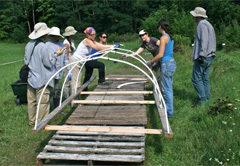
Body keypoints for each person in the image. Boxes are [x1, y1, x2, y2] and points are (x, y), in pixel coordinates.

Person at [24, 22, 64, 127]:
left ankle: (32, 121)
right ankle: (41, 123)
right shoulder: (43, 47)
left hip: (31, 77)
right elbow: (48, 63)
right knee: (43, 102)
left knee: (31, 102)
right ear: (45, 34)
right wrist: (56, 55)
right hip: (43, 78)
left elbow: (26, 60)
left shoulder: (29, 45)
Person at [70, 27, 114, 97]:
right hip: (76, 61)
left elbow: (100, 45)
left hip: (81, 62)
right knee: (76, 82)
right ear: (87, 35)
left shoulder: (92, 41)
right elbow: (97, 48)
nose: (94, 36)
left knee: (79, 81)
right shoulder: (87, 41)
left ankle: (78, 97)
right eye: (92, 35)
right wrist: (110, 48)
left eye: (95, 34)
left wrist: (113, 46)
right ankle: (74, 101)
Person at [146, 19, 176, 117]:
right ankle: (169, 110)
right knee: (169, 88)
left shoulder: (163, 38)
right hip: (171, 63)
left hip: (166, 64)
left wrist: (151, 62)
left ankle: (168, 113)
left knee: (166, 89)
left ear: (160, 27)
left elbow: (160, 54)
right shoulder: (170, 37)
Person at [190, 7, 216, 105]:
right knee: (205, 78)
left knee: (196, 78)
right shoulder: (209, 24)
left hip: (204, 56)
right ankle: (207, 99)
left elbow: (204, 41)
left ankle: (202, 100)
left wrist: (201, 54)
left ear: (198, 16)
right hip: (210, 55)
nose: (193, 17)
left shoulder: (201, 25)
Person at [46, 27, 68, 108]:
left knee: (57, 90)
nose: (56, 37)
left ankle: (57, 108)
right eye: (54, 36)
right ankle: (47, 107)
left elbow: (65, 58)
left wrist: (68, 69)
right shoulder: (47, 45)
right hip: (50, 71)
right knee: (49, 90)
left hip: (59, 71)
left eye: (57, 36)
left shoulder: (62, 45)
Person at [62, 26, 77, 98]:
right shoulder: (66, 43)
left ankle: (72, 95)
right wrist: (68, 67)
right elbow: (66, 55)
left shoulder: (72, 41)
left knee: (72, 80)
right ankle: (67, 96)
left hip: (72, 60)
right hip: (68, 62)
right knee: (67, 80)